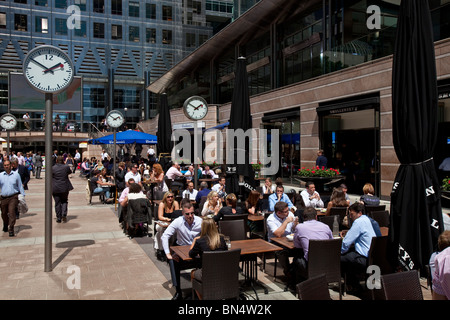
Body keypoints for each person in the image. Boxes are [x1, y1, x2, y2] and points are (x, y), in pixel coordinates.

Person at [161, 201, 202, 300]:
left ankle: (201, 290)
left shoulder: (200, 221)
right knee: (173, 261)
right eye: (187, 214)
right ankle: (178, 291)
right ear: (183, 214)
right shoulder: (178, 221)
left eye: (192, 213)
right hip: (181, 248)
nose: (190, 216)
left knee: (207, 259)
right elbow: (165, 236)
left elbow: (209, 233)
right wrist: (167, 253)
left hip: (195, 249)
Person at [340, 202, 377, 292]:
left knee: (339, 258)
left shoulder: (358, 222)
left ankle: (352, 284)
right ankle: (353, 282)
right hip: (372, 256)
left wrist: (339, 251)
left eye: (351, 214)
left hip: (363, 258)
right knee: (348, 257)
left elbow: (346, 243)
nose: (350, 217)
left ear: (359, 213)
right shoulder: (367, 219)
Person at [189, 217, 228, 299]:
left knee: (192, 273)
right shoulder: (221, 239)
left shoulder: (200, 241)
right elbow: (226, 253)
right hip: (222, 273)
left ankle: (201, 298)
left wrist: (195, 240)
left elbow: (191, 254)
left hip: (206, 274)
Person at [292, 207, 333, 282]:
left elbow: (296, 245)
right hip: (327, 262)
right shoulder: (325, 226)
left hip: (310, 264)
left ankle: (299, 283)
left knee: (296, 255)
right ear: (316, 217)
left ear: (303, 217)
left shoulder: (300, 227)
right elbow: (331, 242)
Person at [266, 201, 299, 279]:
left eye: (288, 210)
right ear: (279, 213)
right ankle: (288, 271)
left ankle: (295, 269)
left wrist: (296, 224)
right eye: (285, 212)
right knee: (281, 251)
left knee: (301, 248)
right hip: (275, 242)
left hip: (289, 240)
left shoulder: (290, 214)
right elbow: (278, 234)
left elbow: (294, 229)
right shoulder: (271, 219)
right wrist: (286, 221)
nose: (288, 213)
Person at [0, 160, 25, 237]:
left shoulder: (16, 175)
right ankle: (5, 224)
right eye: (5, 165)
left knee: (11, 212)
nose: (6, 166)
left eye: (8, 165)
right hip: (3, 198)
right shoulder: (0, 175)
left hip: (13, 197)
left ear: (11, 165)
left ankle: (11, 228)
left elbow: (20, 185)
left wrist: (22, 196)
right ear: (3, 166)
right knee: (3, 213)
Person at [154, 192, 180, 259]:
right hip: (162, 223)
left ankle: (173, 248)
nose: (170, 198)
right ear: (165, 198)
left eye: (171, 197)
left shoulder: (175, 203)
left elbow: (177, 215)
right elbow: (160, 216)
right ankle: (162, 250)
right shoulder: (162, 204)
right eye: (168, 197)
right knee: (162, 231)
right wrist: (166, 219)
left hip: (172, 223)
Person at [52, 156, 74, 223]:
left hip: (55, 187)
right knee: (64, 201)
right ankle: (64, 214)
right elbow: (70, 172)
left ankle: (58, 217)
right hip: (64, 187)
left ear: (56, 161)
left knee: (57, 203)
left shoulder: (53, 168)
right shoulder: (66, 167)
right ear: (63, 161)